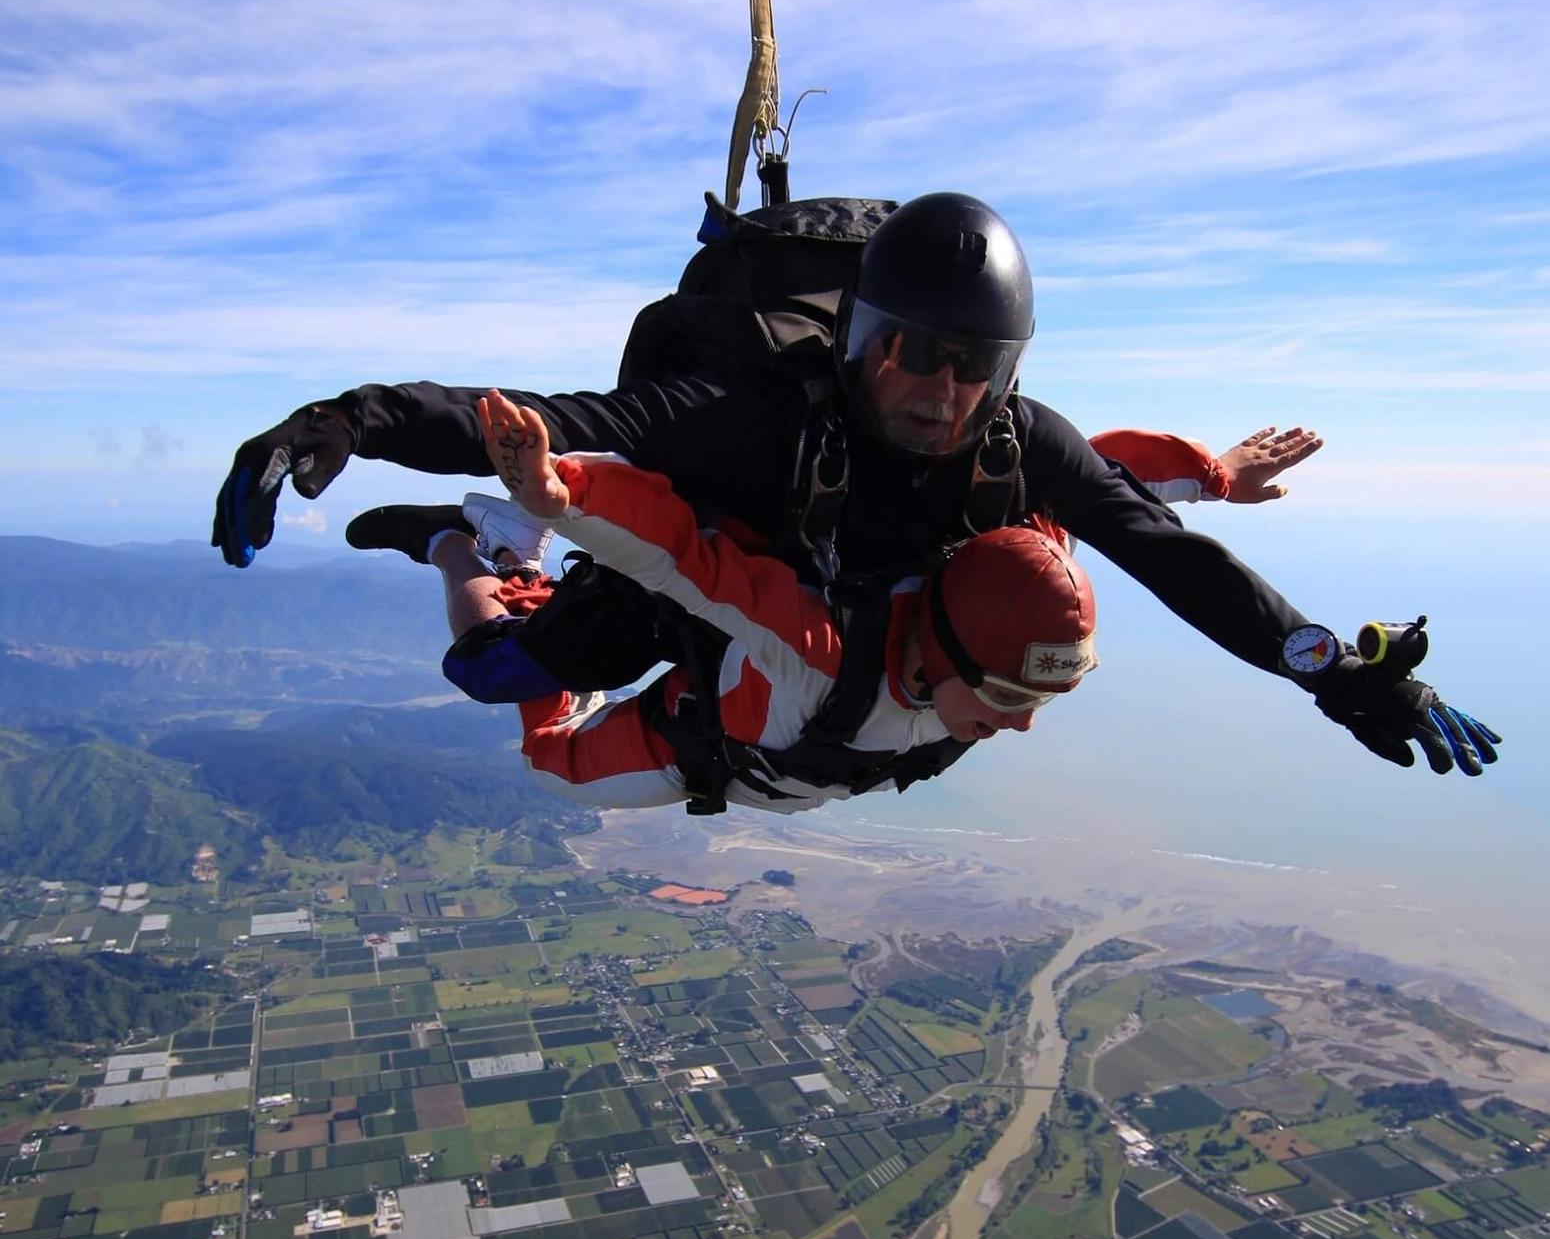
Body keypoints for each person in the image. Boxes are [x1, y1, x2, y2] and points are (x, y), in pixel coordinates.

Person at [214, 192, 1499, 777]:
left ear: (1005, 369)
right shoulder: (750, 418)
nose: (937, 390)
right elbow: (543, 418)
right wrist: (342, 422)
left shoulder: (1017, 438)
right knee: (499, 673)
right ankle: (461, 552)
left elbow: (1159, 548)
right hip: (693, 583)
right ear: (857, 336)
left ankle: (483, 541)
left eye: (972, 364)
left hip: (828, 622)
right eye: (906, 352)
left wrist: (1326, 669)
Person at [390, 391, 1098, 813]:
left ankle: (514, 545)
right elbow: (683, 561)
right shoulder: (817, 652)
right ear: (950, 650)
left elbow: (1106, 473)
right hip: (694, 743)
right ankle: (475, 549)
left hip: (775, 753)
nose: (1023, 725)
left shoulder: (1014, 575)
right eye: (1010, 695)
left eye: (1041, 700)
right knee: (535, 737)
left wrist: (1209, 478)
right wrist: (566, 495)